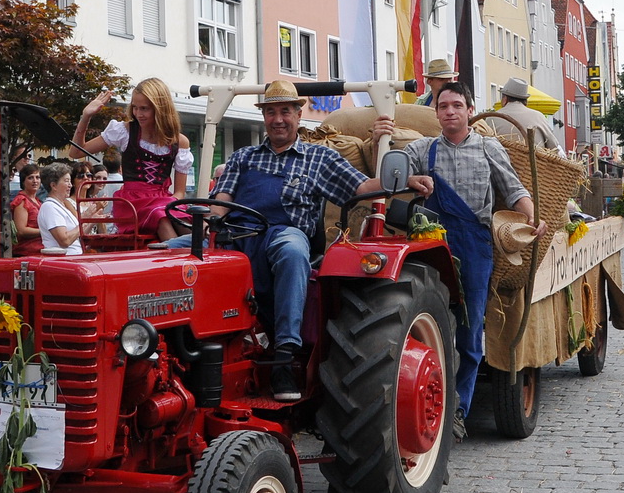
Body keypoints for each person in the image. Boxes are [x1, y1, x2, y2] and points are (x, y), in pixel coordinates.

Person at [212, 80, 386, 402]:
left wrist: (399, 175)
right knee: (170, 253)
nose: (278, 119)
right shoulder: (243, 157)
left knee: (292, 252)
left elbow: (362, 188)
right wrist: (207, 218)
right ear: (264, 116)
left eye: (285, 111)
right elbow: (223, 197)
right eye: (271, 112)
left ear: (298, 113)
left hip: (284, 231)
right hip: (238, 232)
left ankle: (284, 356)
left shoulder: (318, 157)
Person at [400, 82, 543, 437]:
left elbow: (514, 190)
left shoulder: (488, 148)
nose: (449, 111)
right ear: (436, 112)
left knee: (469, 328)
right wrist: (405, 168)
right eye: (443, 105)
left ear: (469, 110)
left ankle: (458, 410)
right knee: (430, 323)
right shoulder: (422, 148)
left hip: (474, 244)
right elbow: (395, 172)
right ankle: (426, 399)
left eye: (457, 105)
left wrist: (531, 216)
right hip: (431, 245)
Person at [73, 79, 193, 242]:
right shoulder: (125, 131)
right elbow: (76, 152)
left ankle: (200, 256)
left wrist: (170, 204)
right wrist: (86, 116)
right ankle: (178, 259)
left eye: (144, 108)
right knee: (161, 217)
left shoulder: (179, 141)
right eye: (135, 107)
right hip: (132, 201)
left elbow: (179, 192)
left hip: (163, 199)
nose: (138, 113)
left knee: (185, 220)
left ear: (160, 109)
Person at [486, 76, 561, 151]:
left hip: (500, 161)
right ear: (526, 101)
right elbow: (553, 146)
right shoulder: (538, 116)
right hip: (535, 161)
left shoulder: (492, 118)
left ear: (505, 99)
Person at [37, 163, 82, 255]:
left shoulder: (61, 206)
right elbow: (64, 241)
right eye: (66, 181)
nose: (70, 185)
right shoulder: (50, 207)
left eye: (70, 181)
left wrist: (92, 216)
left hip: (74, 257)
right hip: (64, 260)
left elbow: (77, 234)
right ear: (53, 186)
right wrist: (83, 223)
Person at [9, 164, 45, 256]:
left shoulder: (38, 201)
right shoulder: (21, 200)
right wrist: (45, 231)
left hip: (40, 251)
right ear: (23, 181)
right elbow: (21, 230)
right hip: (26, 253)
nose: (35, 181)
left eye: (37, 177)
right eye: (30, 178)